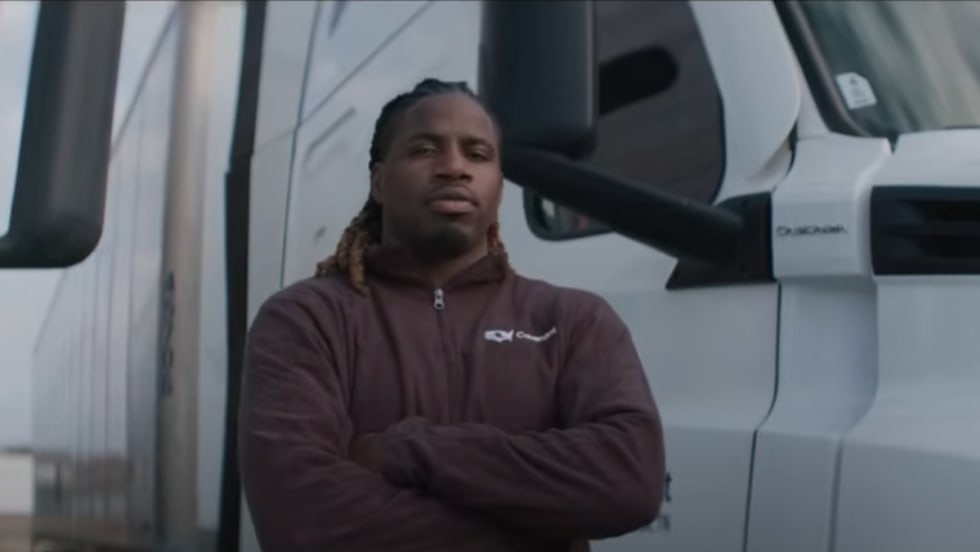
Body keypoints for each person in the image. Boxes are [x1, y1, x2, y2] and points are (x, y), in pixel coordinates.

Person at [238, 78, 665, 552]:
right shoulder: (305, 319)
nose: (454, 168)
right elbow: (303, 522)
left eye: (478, 154)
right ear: (379, 182)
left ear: (499, 185)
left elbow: (631, 479)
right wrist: (540, 527)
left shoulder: (573, 320)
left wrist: (408, 450)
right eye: (424, 150)